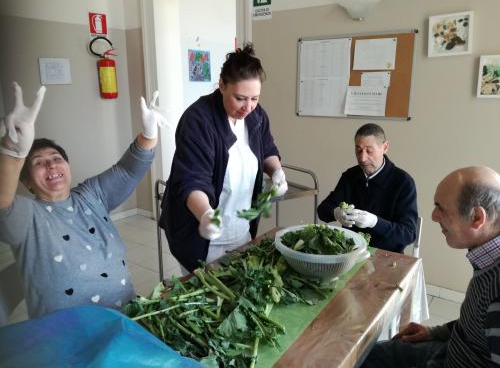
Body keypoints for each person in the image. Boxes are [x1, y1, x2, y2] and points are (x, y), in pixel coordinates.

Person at [0, 82, 166, 318]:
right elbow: (3, 206)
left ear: (67, 166)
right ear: (26, 181)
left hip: (126, 320)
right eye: (38, 162)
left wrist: (149, 135)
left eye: (57, 158)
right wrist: (13, 153)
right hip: (68, 339)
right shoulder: (28, 216)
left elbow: (128, 171)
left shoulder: (91, 194)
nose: (51, 164)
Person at [159, 43, 287, 273]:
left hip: (241, 230)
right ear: (221, 86)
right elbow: (192, 179)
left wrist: (276, 172)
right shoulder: (198, 120)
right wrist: (206, 215)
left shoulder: (256, 115)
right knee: (208, 295)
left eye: (255, 98)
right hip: (200, 237)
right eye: (240, 98)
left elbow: (267, 148)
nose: (248, 107)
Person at [361, 166, 500, 368]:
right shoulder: (487, 257)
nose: (434, 216)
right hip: (448, 350)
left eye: (441, 208)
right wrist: (436, 332)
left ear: (477, 218)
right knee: (364, 357)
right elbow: (478, 331)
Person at [317, 123, 417, 253]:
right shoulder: (350, 176)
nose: (363, 158)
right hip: (350, 252)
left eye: (369, 151)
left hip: (386, 255)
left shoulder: (403, 182)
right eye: (358, 150)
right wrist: (336, 213)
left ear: (385, 147)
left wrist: (375, 222)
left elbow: (408, 234)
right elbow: (322, 211)